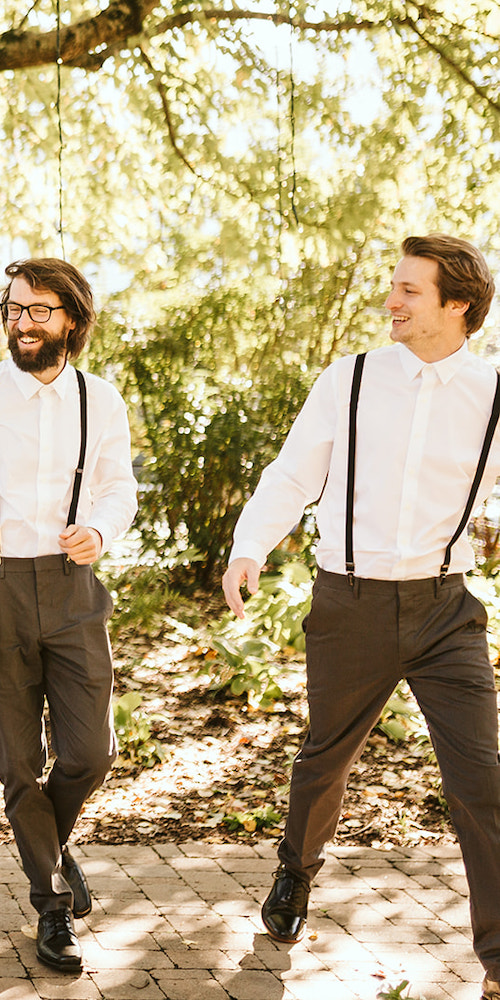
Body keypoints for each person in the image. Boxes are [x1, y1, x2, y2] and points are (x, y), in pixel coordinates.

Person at [223, 234, 500, 997]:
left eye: (410, 291)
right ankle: (295, 872)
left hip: (447, 609)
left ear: (458, 306)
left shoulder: (493, 393)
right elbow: (291, 475)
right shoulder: (347, 381)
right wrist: (250, 546)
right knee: (325, 759)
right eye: (393, 286)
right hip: (350, 602)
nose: (392, 301)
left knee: (481, 782)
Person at [0, 258, 137, 974]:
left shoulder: (100, 401)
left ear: (70, 319)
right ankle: (51, 909)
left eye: (38, 311)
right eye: (13, 309)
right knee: (18, 764)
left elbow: (119, 490)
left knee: (91, 752)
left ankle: (49, 842)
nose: (21, 323)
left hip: (73, 589)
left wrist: (100, 531)